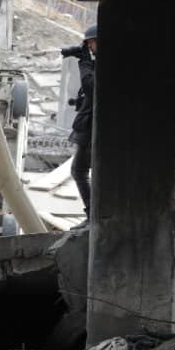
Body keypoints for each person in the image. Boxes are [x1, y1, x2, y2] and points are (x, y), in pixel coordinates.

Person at [66, 24, 97, 219]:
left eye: (91, 43)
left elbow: (91, 85)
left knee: (79, 171)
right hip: (90, 127)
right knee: (80, 171)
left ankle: (92, 213)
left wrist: (84, 62)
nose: (90, 48)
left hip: (93, 129)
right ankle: (92, 212)